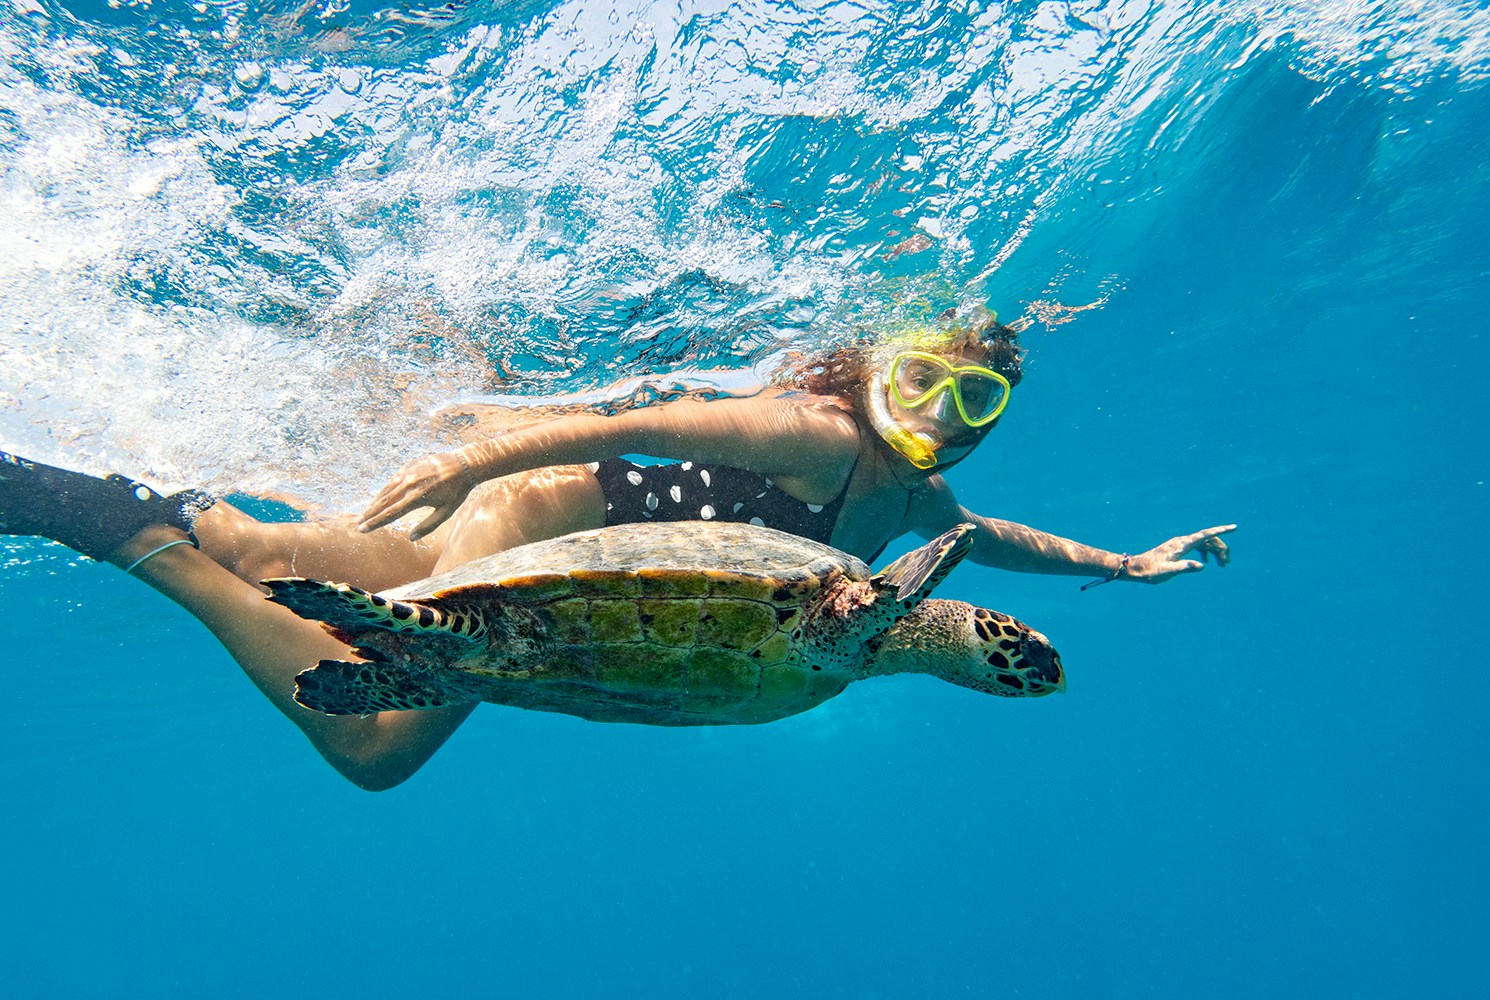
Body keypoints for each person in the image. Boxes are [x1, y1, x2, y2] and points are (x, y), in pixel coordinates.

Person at [0, 315, 1234, 790]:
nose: (935, 418)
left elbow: (983, 536)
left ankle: (141, 502)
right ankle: (129, 533)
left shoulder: (902, 502)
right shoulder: (813, 431)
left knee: (288, 556)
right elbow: (627, 422)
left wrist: (1125, 565)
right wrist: (474, 459)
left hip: (570, 547)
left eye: (973, 406)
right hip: (543, 524)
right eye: (921, 381)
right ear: (873, 373)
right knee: (372, 741)